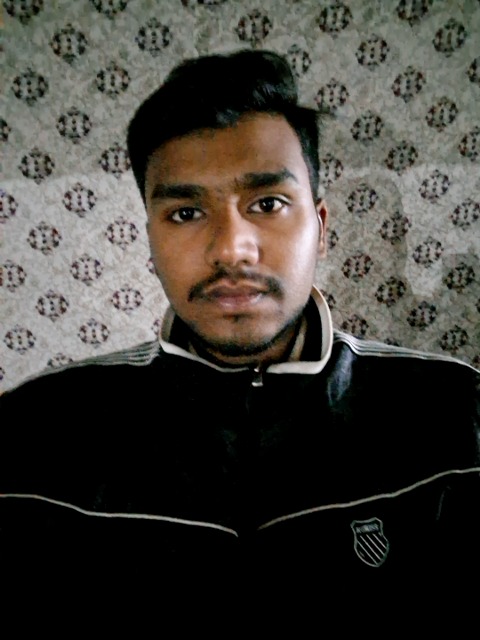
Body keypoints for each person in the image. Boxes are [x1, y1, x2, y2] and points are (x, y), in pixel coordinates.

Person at [1, 49, 479, 612]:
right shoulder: (33, 434)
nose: (231, 249)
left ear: (320, 227)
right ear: (151, 239)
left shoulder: (455, 416)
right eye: (186, 213)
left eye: (268, 203)